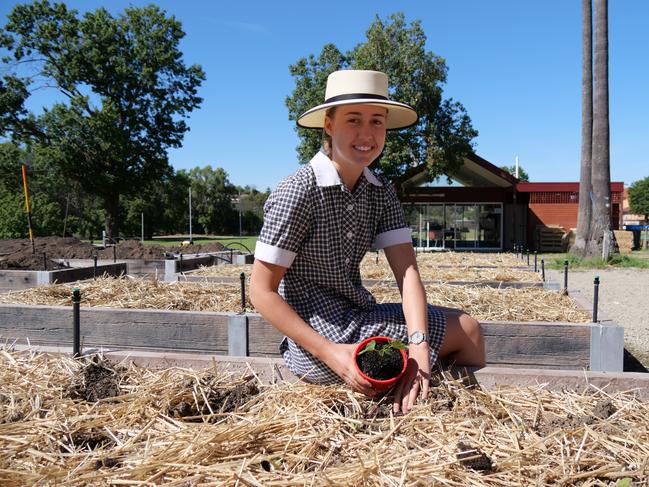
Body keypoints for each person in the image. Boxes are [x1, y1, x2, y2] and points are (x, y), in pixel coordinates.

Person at [250, 70, 485, 413]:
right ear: (328, 125)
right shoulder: (299, 190)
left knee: (457, 331)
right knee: (469, 331)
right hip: (322, 347)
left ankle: (415, 387)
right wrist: (331, 353)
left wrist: (419, 344)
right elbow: (261, 291)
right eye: (353, 120)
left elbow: (407, 274)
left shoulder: (379, 191)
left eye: (377, 121)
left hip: (357, 317)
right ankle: (428, 402)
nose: (367, 133)